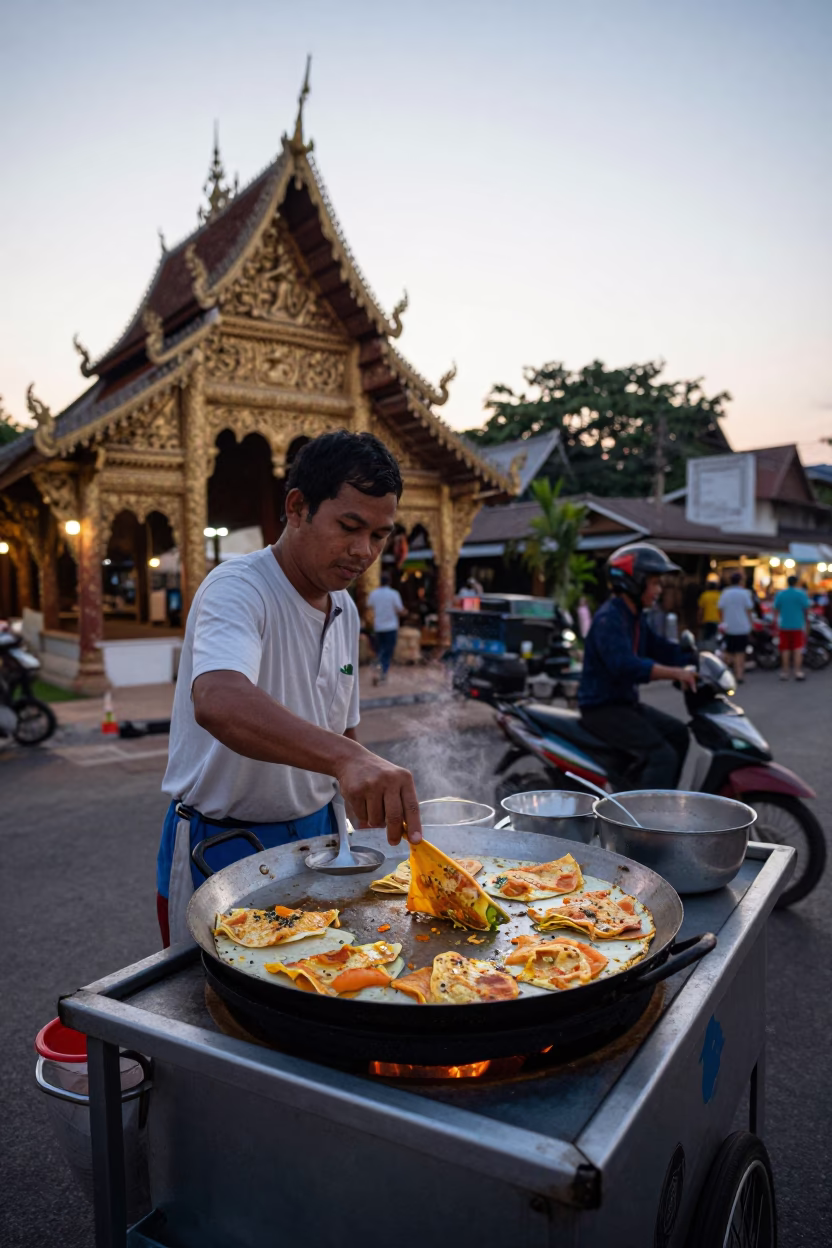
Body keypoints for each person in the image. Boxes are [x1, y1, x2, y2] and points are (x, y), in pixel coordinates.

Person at [156, 431, 423, 947]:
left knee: (323, 978)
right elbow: (219, 700)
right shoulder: (239, 587)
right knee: (215, 1000)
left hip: (320, 834)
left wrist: (366, 784)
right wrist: (349, 760)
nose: (363, 551)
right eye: (349, 527)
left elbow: (341, 729)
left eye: (380, 535)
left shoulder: (343, 607)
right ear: (297, 508)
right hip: (224, 839)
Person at [578, 543, 697, 789]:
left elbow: (660, 647)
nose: (658, 590)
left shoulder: (634, 617)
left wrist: (698, 659)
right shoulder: (608, 619)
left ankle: (657, 799)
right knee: (662, 756)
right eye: (654, 583)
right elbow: (625, 666)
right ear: (634, 582)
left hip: (624, 705)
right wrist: (675, 673)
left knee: (678, 733)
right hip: (602, 709)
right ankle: (645, 822)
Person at [367, 573, 406, 684]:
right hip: (390, 626)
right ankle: (383, 672)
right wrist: (404, 612)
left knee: (380, 650)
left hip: (378, 626)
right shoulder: (394, 594)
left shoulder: (374, 594)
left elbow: (369, 605)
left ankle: (377, 667)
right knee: (388, 651)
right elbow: (400, 609)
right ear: (389, 582)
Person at [718, 572, 754, 683]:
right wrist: (751, 624)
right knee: (740, 652)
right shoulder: (745, 593)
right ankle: (739, 675)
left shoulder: (725, 593)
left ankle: (724, 674)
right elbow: (748, 610)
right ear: (740, 581)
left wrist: (722, 622)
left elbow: (720, 609)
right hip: (742, 627)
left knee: (728, 652)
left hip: (729, 627)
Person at [774, 574, 811, 681]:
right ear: (796, 582)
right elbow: (806, 610)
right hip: (797, 625)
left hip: (784, 625)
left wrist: (775, 622)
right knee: (797, 649)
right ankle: (797, 671)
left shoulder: (781, 594)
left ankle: (785, 672)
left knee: (785, 649)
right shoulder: (801, 594)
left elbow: (776, 609)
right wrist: (807, 622)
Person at [697, 576, 721, 646]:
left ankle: (707, 651)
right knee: (717, 639)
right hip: (718, 620)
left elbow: (700, 610)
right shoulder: (720, 595)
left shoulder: (704, 595)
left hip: (707, 620)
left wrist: (699, 619)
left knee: (706, 638)